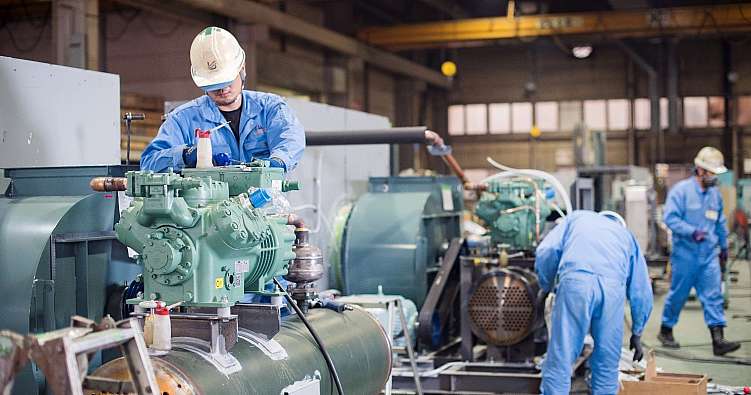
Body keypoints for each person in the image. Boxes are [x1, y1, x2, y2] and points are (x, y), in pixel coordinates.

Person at [140, 26, 305, 173]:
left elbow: (290, 140)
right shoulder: (183, 119)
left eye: (228, 81)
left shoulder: (271, 108)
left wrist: (276, 163)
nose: (223, 89)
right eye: (214, 84)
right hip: (206, 206)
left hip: (266, 204)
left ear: (242, 69)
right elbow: (149, 163)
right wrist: (185, 154)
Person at [535, 210, 653, 395]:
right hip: (612, 290)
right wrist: (637, 332)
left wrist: (546, 284)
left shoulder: (576, 218)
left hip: (576, 283)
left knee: (562, 355)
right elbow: (641, 290)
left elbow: (546, 250)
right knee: (607, 359)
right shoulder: (626, 236)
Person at [658, 147, 741, 356]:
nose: (714, 178)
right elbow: (670, 219)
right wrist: (691, 232)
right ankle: (666, 330)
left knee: (713, 295)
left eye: (715, 174)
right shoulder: (681, 191)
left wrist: (723, 247)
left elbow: (720, 221)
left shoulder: (715, 195)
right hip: (685, 255)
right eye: (712, 173)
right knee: (679, 294)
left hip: (708, 255)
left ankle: (718, 340)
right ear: (700, 170)